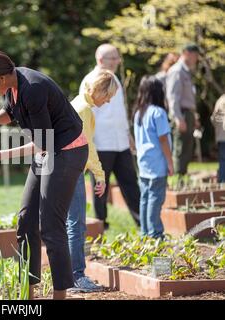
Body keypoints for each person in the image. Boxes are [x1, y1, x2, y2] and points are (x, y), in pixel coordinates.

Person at [0, 49, 88, 300]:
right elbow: (11, 112)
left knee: (51, 225)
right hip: (48, 151)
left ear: (1, 79)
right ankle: (29, 293)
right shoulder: (14, 83)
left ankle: (60, 294)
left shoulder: (32, 88)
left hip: (67, 152)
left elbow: (43, 143)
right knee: (26, 220)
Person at [80, 43, 140, 229]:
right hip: (101, 144)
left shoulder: (115, 79)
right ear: (100, 60)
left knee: (130, 183)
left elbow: (120, 111)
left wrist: (128, 135)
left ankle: (142, 223)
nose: (116, 61)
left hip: (121, 143)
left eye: (117, 57)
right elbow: (87, 114)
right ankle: (101, 225)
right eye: (112, 58)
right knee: (100, 187)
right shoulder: (89, 80)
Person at [67, 70, 118, 292]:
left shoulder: (78, 104)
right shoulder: (84, 109)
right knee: (76, 226)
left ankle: (69, 276)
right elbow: (87, 147)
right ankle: (76, 277)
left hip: (68, 169)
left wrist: (99, 173)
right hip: (72, 170)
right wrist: (100, 174)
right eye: (107, 95)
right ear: (98, 90)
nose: (107, 101)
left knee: (72, 225)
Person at [133, 75, 174, 239]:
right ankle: (155, 233)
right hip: (157, 162)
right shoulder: (158, 112)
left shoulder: (139, 113)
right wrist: (170, 163)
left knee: (145, 197)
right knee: (156, 199)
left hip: (143, 162)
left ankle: (145, 232)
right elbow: (163, 139)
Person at [165, 44, 200, 175]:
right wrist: (178, 118)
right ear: (185, 53)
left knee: (187, 148)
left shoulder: (186, 71)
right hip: (182, 114)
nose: (196, 58)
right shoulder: (177, 71)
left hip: (188, 113)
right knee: (180, 149)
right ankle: (177, 178)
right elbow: (173, 97)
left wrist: (194, 116)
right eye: (194, 55)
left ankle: (182, 176)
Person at [211, 94, 225, 183]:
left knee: (223, 160)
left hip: (221, 136)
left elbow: (213, 119)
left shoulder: (220, 100)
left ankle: (222, 181)